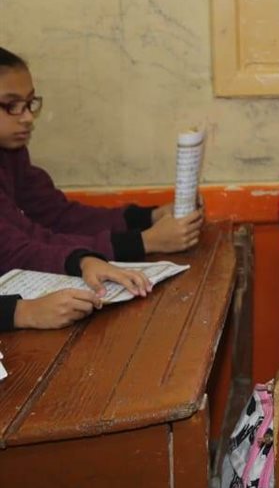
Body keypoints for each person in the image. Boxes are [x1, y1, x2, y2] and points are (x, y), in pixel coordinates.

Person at [0, 47, 204, 332]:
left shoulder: (11, 154)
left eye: (30, 103)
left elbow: (57, 215)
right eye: (11, 105)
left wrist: (146, 218)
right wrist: (20, 312)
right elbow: (12, 250)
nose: (27, 118)